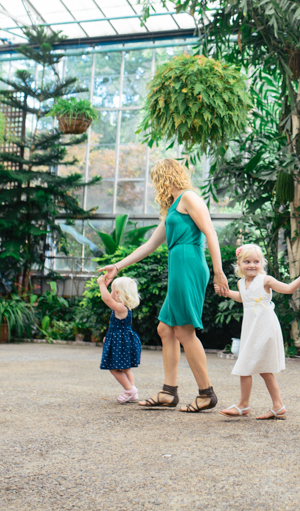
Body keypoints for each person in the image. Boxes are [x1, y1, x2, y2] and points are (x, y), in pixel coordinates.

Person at [97, 158, 229, 412]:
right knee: (165, 329)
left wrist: (219, 271)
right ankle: (169, 392)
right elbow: (150, 245)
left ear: (164, 177)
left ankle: (206, 393)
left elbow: (210, 232)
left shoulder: (190, 197)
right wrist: (118, 266)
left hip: (189, 263)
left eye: (156, 179)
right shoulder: (173, 209)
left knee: (184, 330)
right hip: (179, 264)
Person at [216, 244, 300, 420]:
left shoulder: (265, 280)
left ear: (262, 263)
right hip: (251, 328)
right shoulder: (241, 283)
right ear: (239, 264)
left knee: (253, 365)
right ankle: (274, 405)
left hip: (265, 327)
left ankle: (248, 405)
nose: (252, 265)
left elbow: (289, 289)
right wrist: (228, 293)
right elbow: (244, 298)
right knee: (255, 367)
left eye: (256, 261)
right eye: (247, 261)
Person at [96, 274, 142, 403]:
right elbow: (116, 327)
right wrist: (109, 337)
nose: (109, 293)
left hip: (121, 341)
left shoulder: (121, 307)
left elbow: (107, 300)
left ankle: (129, 390)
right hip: (121, 339)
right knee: (126, 368)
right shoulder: (124, 307)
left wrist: (101, 284)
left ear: (117, 293)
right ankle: (133, 392)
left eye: (111, 290)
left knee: (113, 367)